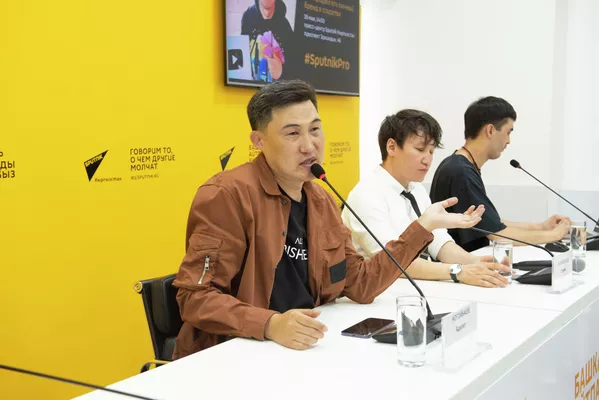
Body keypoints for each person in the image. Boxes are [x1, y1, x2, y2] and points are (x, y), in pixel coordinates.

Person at [171, 79, 485, 360]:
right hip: (235, 356)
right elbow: (195, 298)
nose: (309, 146)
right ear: (259, 141)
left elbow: (360, 284)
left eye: (315, 130)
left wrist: (421, 228)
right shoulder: (227, 195)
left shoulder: (320, 199)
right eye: (292, 133)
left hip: (305, 349)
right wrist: (270, 324)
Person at [342, 109, 510, 288]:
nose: (427, 160)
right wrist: (457, 271)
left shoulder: (416, 188)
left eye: (431, 151)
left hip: (418, 285)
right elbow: (392, 261)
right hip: (382, 292)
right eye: (420, 150)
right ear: (392, 147)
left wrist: (474, 262)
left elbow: (438, 241)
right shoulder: (367, 194)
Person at [430, 96, 570, 252]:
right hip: (462, 262)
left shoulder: (459, 164)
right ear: (490, 130)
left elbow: (491, 223)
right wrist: (554, 235)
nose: (508, 141)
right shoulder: (461, 171)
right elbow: (498, 234)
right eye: (508, 132)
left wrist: (541, 227)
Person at [241, 0, 294, 81]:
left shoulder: (285, 27)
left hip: (277, 87)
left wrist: (281, 72)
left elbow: (295, 69)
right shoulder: (247, 19)